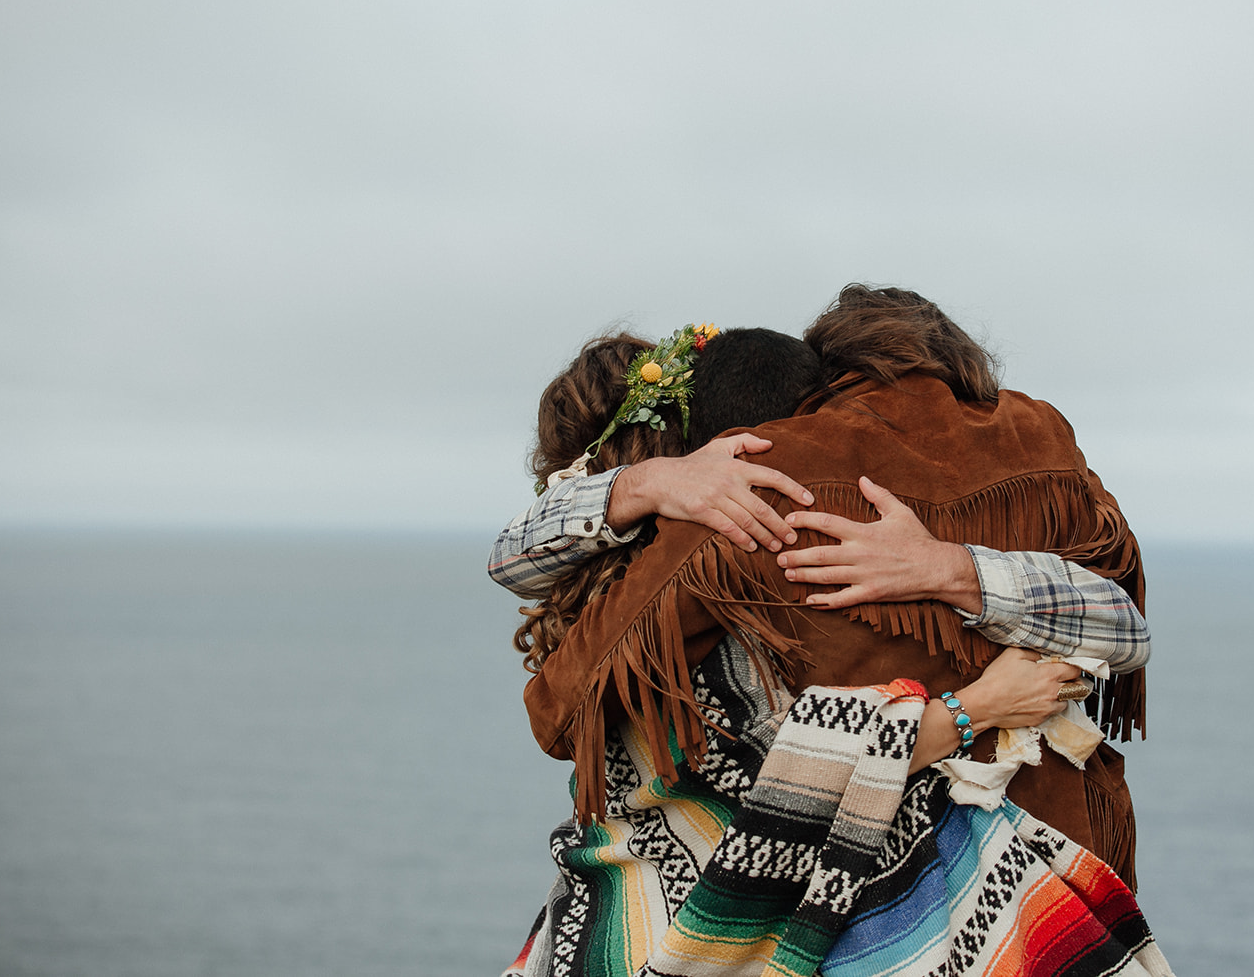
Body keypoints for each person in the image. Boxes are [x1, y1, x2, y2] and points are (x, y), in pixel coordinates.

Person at [493, 309, 1169, 976]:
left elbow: (509, 555)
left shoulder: (603, 581)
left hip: (604, 904)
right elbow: (785, 776)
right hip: (695, 927)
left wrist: (945, 567)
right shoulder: (701, 578)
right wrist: (979, 706)